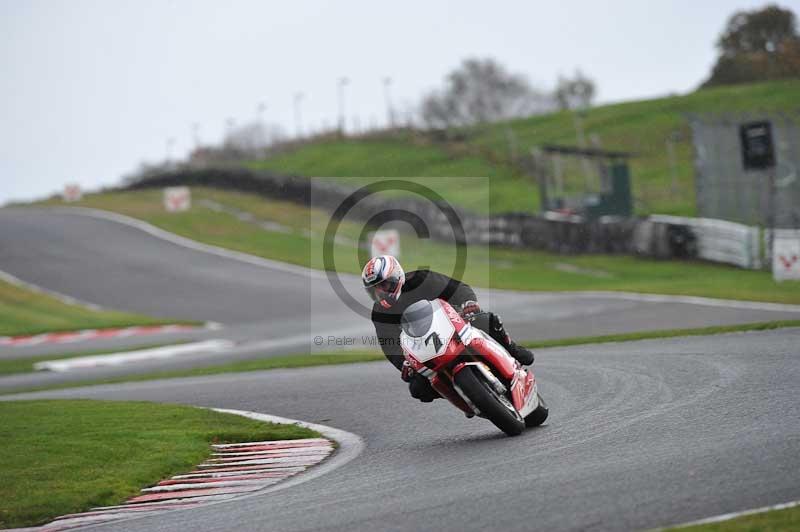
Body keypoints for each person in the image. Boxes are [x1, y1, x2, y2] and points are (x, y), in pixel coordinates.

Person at [362, 255, 535, 402]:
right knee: (418, 389)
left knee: (487, 320)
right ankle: (463, 395)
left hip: (455, 325)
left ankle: (512, 349)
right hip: (425, 348)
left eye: (383, 285)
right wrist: (403, 364)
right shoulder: (379, 312)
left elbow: (457, 288)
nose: (381, 292)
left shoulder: (421, 279)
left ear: (396, 277)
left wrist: (468, 303)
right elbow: (389, 344)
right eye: (375, 290)